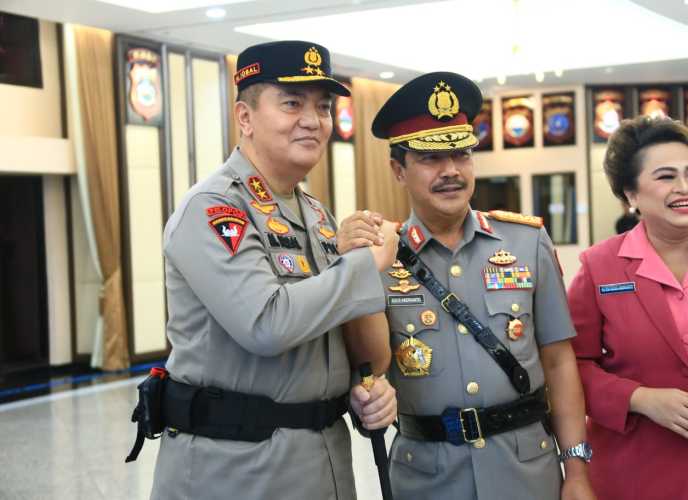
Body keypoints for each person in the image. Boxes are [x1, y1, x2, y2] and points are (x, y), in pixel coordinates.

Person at [148, 41, 398, 500]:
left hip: (322, 463)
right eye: (291, 103)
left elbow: (332, 337)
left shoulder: (315, 215)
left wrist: (365, 390)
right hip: (237, 470)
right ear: (245, 118)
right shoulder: (215, 208)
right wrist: (364, 267)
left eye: (322, 107)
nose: (312, 120)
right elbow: (266, 324)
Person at [344, 72, 595, 500]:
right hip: (428, 478)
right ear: (397, 170)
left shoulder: (525, 242)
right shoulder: (380, 256)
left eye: (461, 154)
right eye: (430, 159)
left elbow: (558, 362)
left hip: (526, 473)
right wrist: (355, 268)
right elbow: (372, 367)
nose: (451, 172)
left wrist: (576, 470)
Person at [567, 116, 688, 500]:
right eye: (666, 177)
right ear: (630, 195)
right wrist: (640, 399)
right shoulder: (600, 266)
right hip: (635, 473)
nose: (685, 188)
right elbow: (570, 366)